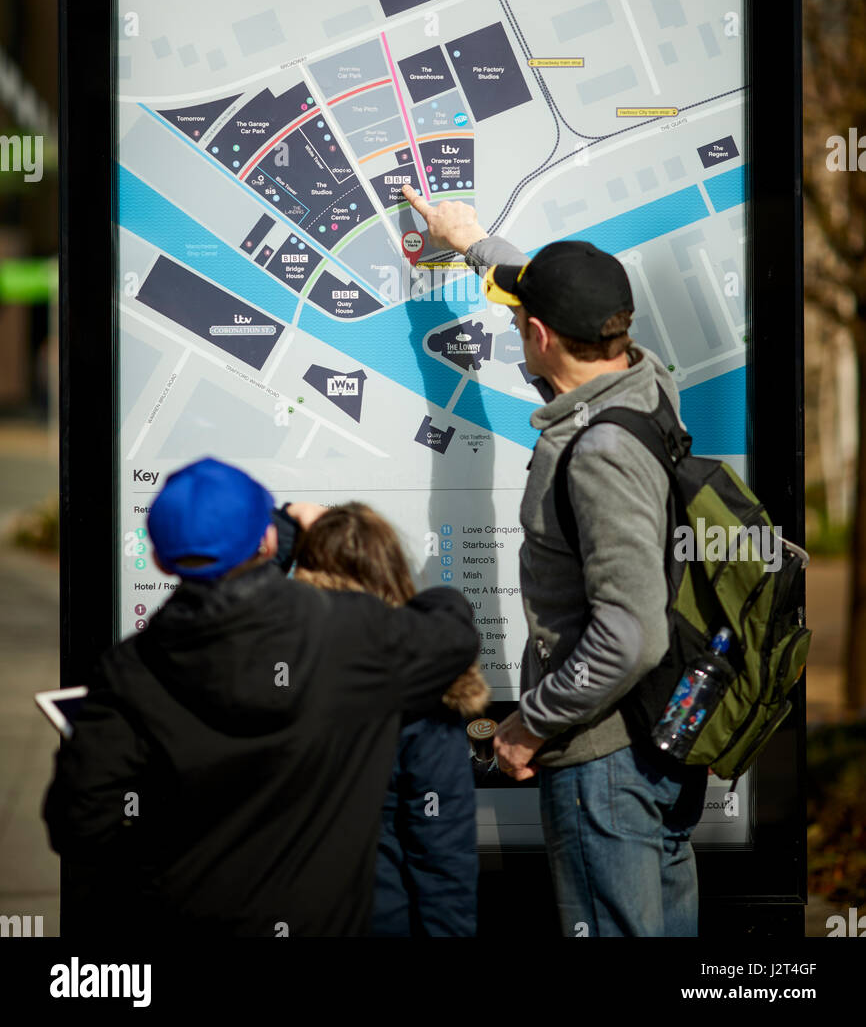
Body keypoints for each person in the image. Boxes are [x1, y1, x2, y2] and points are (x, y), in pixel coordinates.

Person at [401, 182, 708, 939]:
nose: (517, 332)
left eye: (520, 325)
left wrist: (525, 728)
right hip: (659, 744)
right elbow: (545, 288)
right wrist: (472, 241)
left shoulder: (598, 452)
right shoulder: (645, 377)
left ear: (539, 336)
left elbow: (631, 635)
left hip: (607, 765)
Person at [43, 456, 480, 938]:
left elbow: (78, 822)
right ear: (267, 541)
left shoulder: (129, 671)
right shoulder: (347, 632)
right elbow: (452, 632)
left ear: (162, 559)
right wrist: (293, 525)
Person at [292, 501, 490, 937]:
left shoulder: (268, 672)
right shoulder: (421, 687)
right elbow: (441, 853)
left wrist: (284, 523)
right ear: (392, 570)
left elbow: (219, 610)